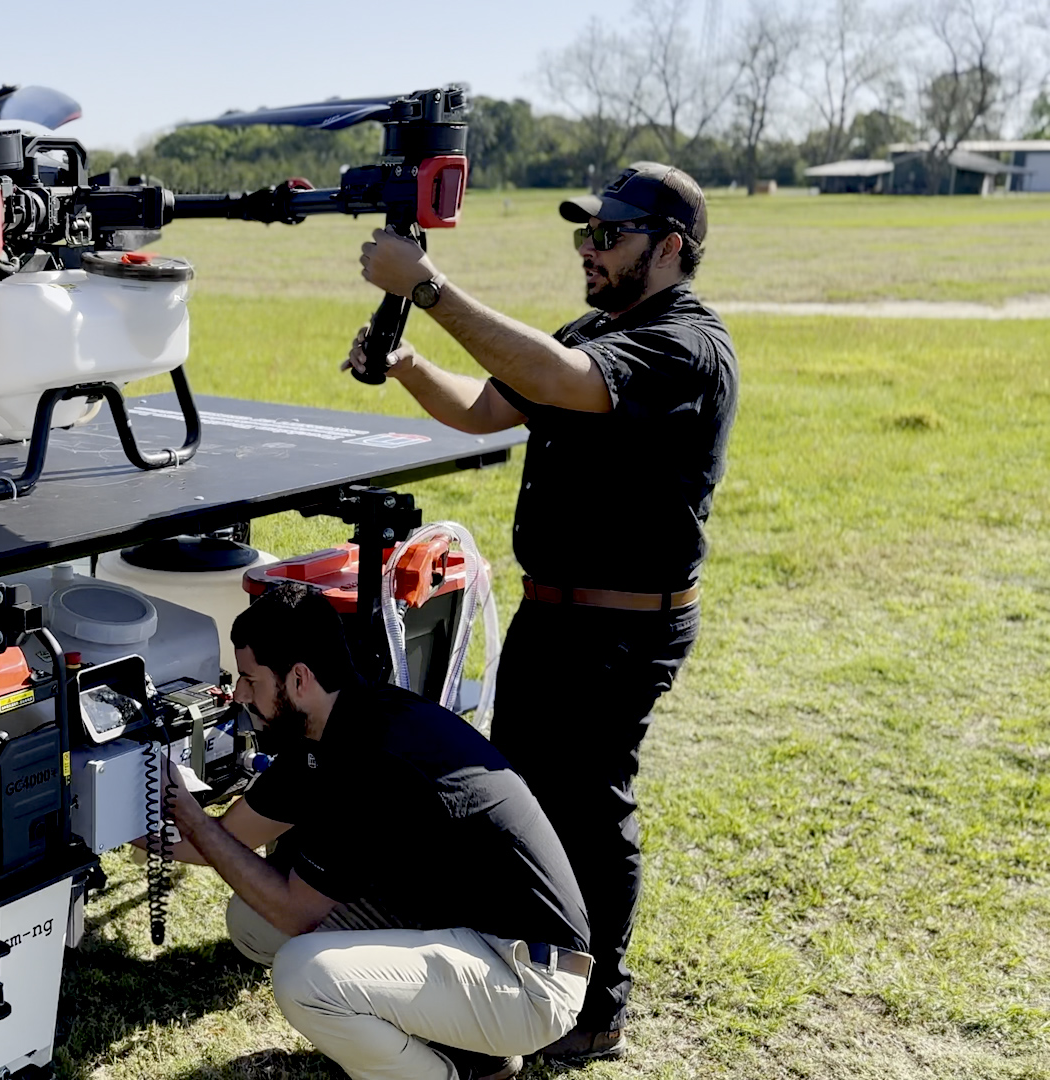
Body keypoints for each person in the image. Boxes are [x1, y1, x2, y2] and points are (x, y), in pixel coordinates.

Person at [345, 161, 739, 1059]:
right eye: (584, 235)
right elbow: (488, 406)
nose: (589, 251)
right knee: (524, 795)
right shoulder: (596, 329)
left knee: (590, 806)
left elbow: (560, 379)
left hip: (624, 625)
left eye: (608, 236)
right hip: (555, 613)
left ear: (670, 247)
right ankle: (524, 964)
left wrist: (428, 287)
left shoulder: (684, 344)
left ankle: (596, 1009)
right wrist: (405, 362)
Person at [158, 581, 592, 1080]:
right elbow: (232, 835)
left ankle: (450, 1072)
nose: (238, 694)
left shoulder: (371, 760)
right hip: (469, 934)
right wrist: (136, 827)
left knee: (303, 974)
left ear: (298, 679)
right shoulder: (331, 723)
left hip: (528, 978)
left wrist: (190, 815)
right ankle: (471, 1049)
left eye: (250, 680)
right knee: (254, 921)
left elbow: (296, 910)